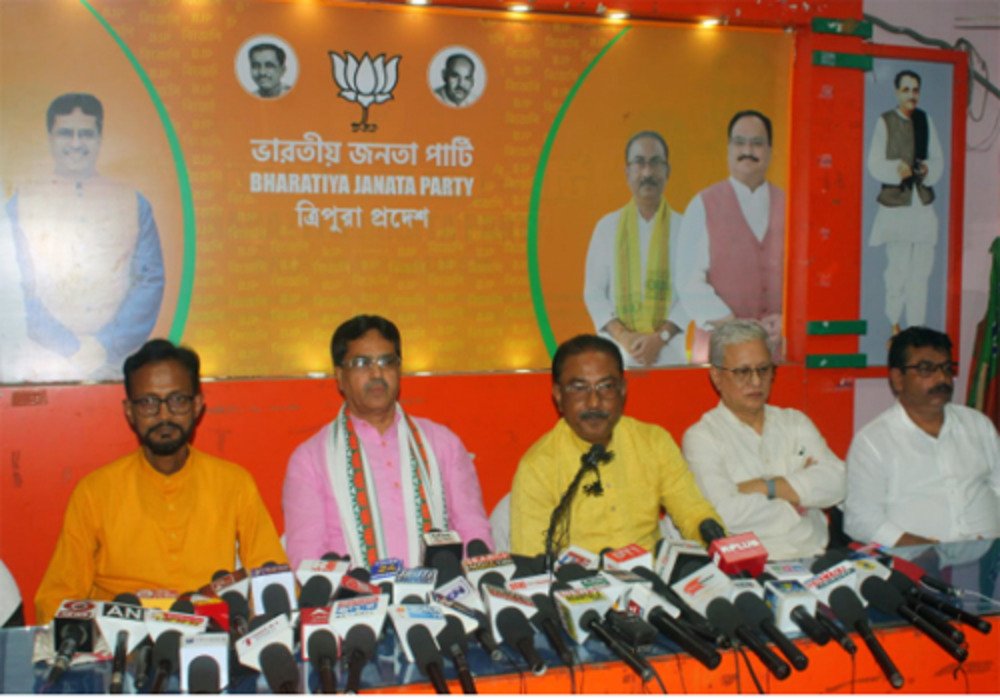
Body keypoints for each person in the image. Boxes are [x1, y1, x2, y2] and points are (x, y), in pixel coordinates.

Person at [35, 339, 285, 623]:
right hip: (120, 635)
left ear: (197, 405)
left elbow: (272, 578)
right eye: (148, 402)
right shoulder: (94, 492)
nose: (164, 415)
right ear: (129, 410)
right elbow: (55, 600)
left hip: (209, 635)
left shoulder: (234, 483)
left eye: (177, 400)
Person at [282, 315, 493, 567]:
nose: (377, 373)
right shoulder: (309, 460)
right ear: (340, 376)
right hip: (352, 590)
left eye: (386, 361)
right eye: (361, 363)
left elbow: (474, 531)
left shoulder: (443, 444)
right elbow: (307, 557)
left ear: (399, 369)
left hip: (440, 589)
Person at [509, 335, 721, 556]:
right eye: (579, 388)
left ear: (622, 390)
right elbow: (532, 558)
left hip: (652, 572)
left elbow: (692, 511)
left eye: (606, 386)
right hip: (579, 577)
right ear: (559, 396)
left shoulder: (653, 441)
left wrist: (711, 533)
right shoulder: (538, 466)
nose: (594, 402)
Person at [3, 93, 165, 382]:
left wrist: (106, 345)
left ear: (100, 138)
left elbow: (149, 280)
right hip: (43, 363)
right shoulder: (20, 204)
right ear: (50, 138)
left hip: (119, 364)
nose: (76, 143)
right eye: (66, 133)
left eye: (86, 134)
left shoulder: (133, 202)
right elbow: (15, 291)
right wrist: (71, 347)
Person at [682, 320, 846, 559]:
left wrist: (766, 487)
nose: (756, 381)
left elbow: (838, 481)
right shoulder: (702, 437)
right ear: (716, 376)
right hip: (751, 565)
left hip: (817, 555)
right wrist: (798, 502)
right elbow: (724, 512)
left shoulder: (794, 422)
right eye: (742, 372)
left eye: (763, 369)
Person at [845, 327, 1000, 547]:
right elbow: (860, 521)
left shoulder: (978, 424)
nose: (942, 378)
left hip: (989, 558)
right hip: (916, 562)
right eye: (926, 369)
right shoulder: (873, 442)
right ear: (898, 379)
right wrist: (925, 549)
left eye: (946, 368)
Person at [676, 110, 785, 359]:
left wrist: (786, 320)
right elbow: (688, 283)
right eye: (739, 142)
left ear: (770, 151)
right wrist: (735, 326)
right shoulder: (703, 204)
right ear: (728, 149)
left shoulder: (790, 205)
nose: (748, 150)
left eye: (757, 143)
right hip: (719, 352)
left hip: (777, 351)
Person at [584, 131, 689, 368]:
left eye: (655, 163)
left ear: (667, 171)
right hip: (617, 356)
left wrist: (660, 338)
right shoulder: (607, 227)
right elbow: (593, 293)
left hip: (669, 356)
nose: (647, 173)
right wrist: (625, 337)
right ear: (627, 172)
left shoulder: (686, 228)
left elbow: (692, 293)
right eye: (639, 163)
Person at [866, 70, 944, 334]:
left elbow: (937, 159)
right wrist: (896, 169)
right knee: (898, 269)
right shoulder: (886, 121)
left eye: (915, 90)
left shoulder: (925, 120)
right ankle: (894, 324)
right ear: (897, 92)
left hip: (921, 206)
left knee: (921, 271)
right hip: (897, 208)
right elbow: (874, 163)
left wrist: (927, 169)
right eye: (906, 89)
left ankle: (915, 327)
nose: (911, 95)